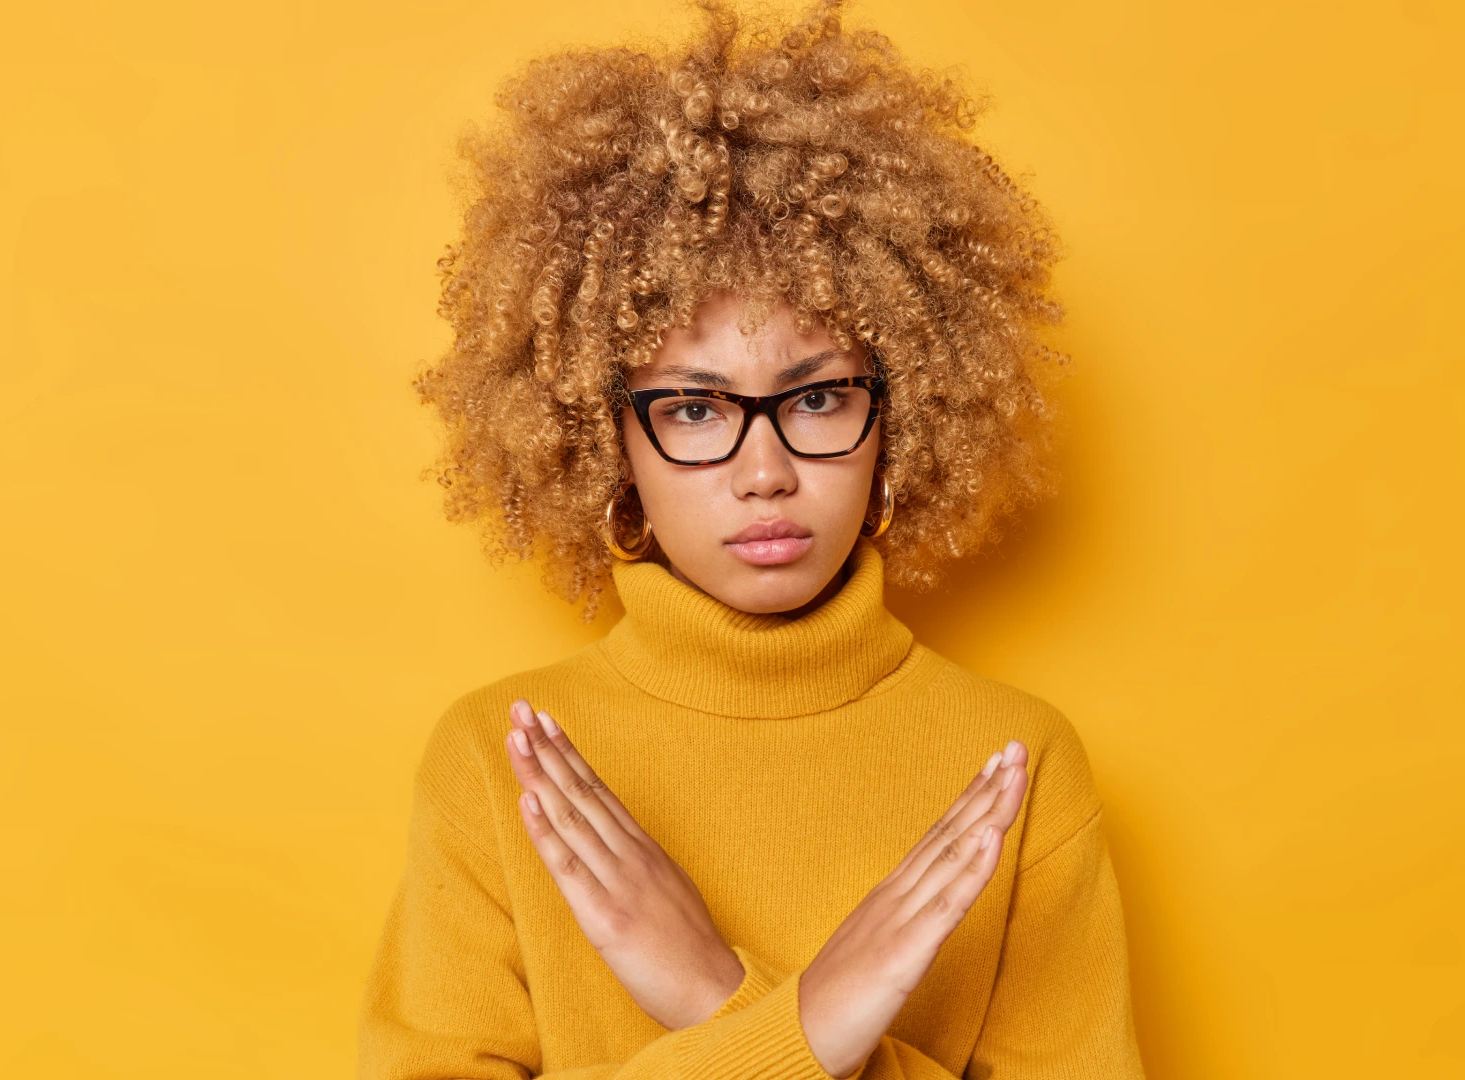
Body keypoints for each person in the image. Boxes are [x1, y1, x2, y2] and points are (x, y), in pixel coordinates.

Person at [359, 3, 1143, 1077]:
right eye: (693, 409)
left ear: (901, 412)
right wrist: (804, 1031)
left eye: (818, 399)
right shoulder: (505, 762)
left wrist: (717, 1000)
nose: (765, 470)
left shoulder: (1011, 769)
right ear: (604, 433)